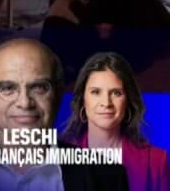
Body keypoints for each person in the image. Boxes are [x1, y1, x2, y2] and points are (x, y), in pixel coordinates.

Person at [0, 38, 130, 190]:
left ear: (57, 96)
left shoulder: (108, 178)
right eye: (8, 88)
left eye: (39, 87)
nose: (24, 102)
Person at [62, 52, 170, 191]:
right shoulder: (58, 159)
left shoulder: (156, 162)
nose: (106, 103)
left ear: (128, 100)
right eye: (96, 92)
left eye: (116, 93)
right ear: (83, 99)